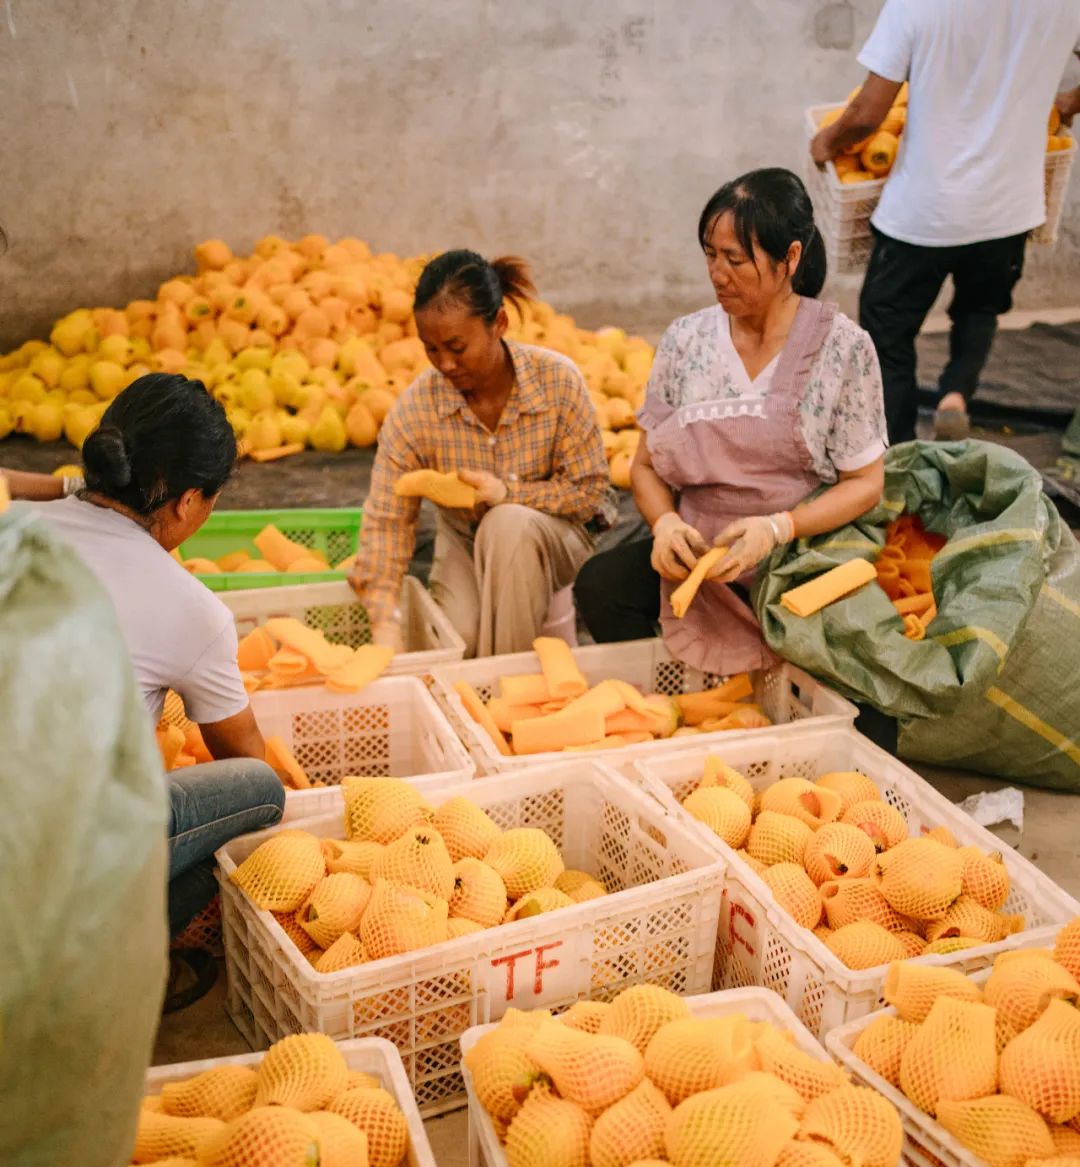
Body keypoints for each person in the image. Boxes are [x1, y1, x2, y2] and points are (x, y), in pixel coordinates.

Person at [5, 373, 285, 973]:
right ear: (189, 501)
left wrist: (74, 488)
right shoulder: (191, 609)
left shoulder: (15, 527)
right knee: (262, 794)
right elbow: (246, 756)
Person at [574, 168, 886, 669]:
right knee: (600, 587)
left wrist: (779, 527)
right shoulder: (685, 341)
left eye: (736, 260)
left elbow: (866, 483)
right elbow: (646, 467)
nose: (718, 274)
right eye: (710, 255)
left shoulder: (842, 348)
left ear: (790, 259)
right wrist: (667, 524)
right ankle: (680, 690)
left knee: (860, 664)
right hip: (702, 555)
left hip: (799, 555)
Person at [811, 0, 1080, 444]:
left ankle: (898, 455)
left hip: (923, 211)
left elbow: (866, 115)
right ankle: (955, 393)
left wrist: (826, 141)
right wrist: (1067, 103)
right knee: (979, 309)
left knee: (889, 333)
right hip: (1010, 207)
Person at [348, 249, 614, 657]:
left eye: (456, 346)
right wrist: (385, 621)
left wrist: (507, 494)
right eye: (431, 349)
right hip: (465, 538)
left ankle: (505, 690)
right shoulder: (416, 409)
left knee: (506, 524)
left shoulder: (558, 381)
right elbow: (388, 521)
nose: (446, 364)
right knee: (458, 639)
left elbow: (588, 492)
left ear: (499, 323)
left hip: (559, 531)